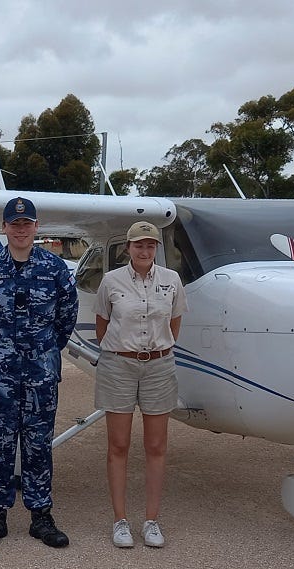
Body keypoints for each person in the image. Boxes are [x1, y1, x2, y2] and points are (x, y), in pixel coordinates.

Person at [0, 197, 78, 549]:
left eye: (27, 223)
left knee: (38, 445)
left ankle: (40, 515)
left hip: (40, 376)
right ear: (4, 228)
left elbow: (67, 317)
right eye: (15, 224)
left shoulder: (55, 268)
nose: (21, 229)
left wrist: (42, 351)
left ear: (36, 227)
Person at [93, 221, 186, 549]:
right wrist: (124, 351)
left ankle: (151, 520)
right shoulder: (111, 281)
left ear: (156, 248)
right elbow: (102, 324)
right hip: (118, 365)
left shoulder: (171, 281)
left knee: (156, 446)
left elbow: (175, 323)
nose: (144, 250)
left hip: (159, 366)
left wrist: (156, 349)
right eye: (138, 245)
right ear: (128, 248)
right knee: (118, 445)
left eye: (150, 245)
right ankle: (120, 521)